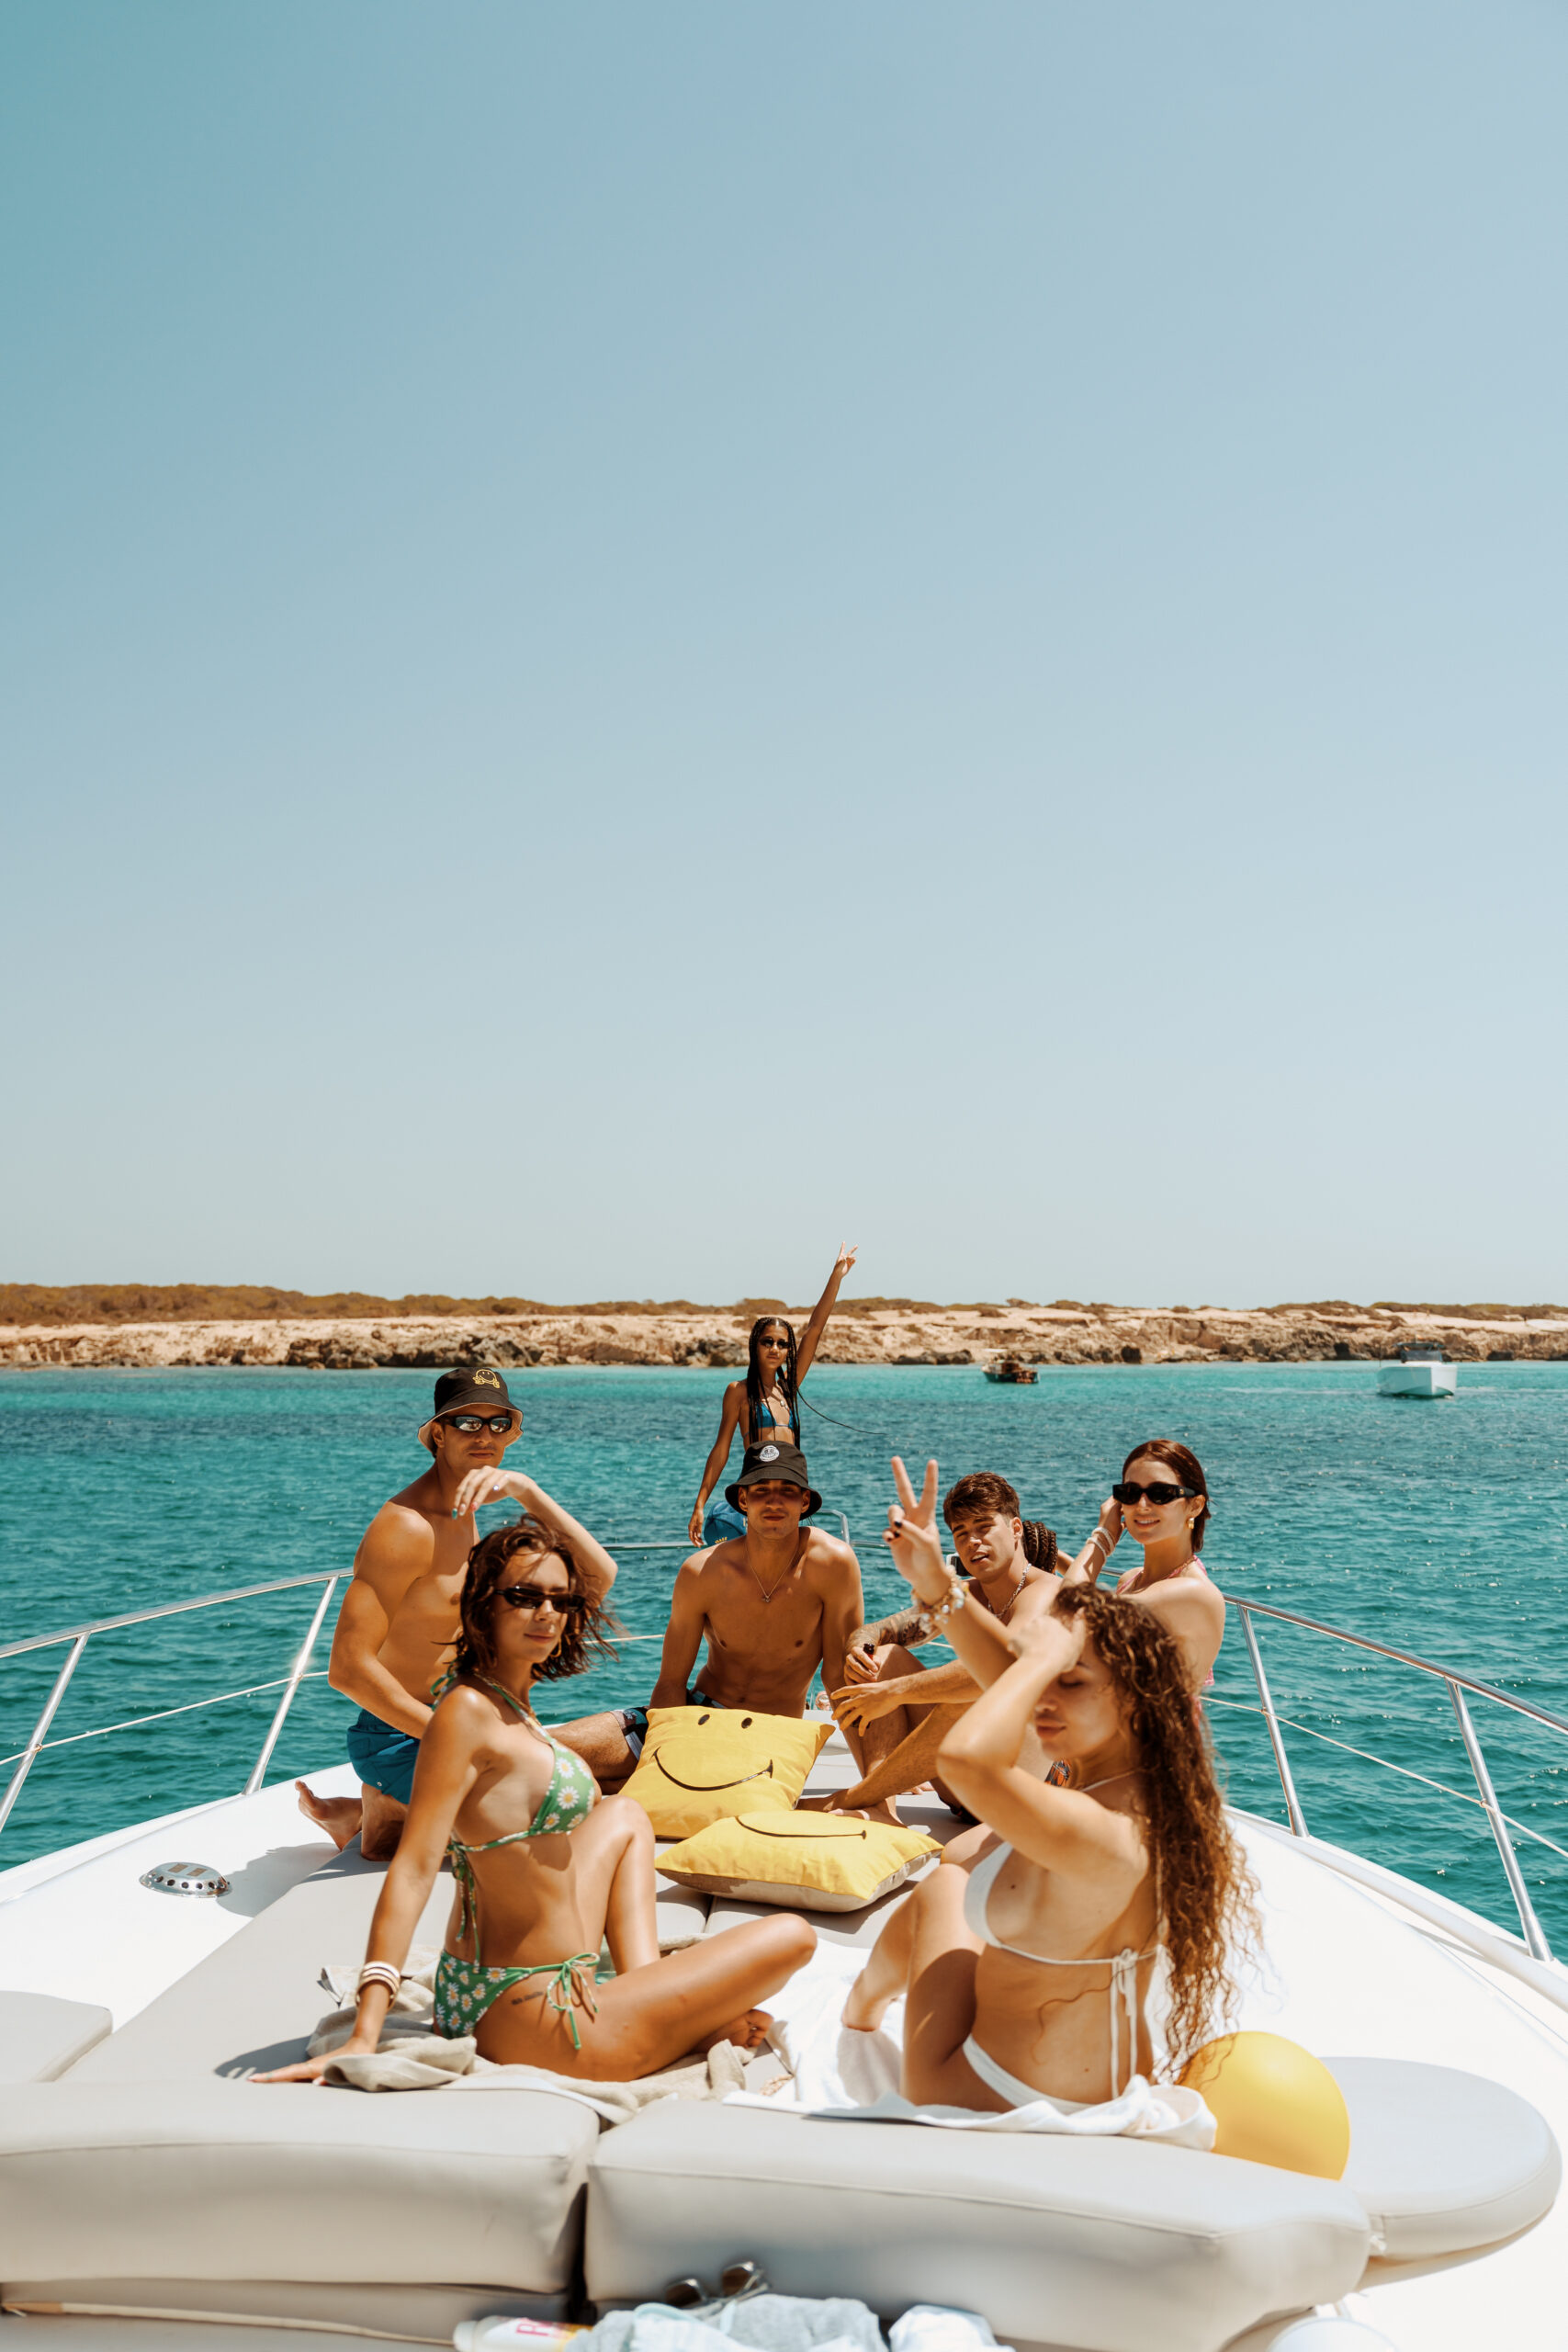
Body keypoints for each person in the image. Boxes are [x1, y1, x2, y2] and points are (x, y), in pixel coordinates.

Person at [261, 1518, 814, 2083]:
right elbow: (414, 1871)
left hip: (507, 1991)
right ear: (483, 1604)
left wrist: (524, 1489)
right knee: (792, 1936)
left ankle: (642, 1990)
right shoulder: (465, 1712)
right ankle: (666, 2018)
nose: (546, 1613)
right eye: (524, 1597)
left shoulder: (508, 1704)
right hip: (541, 2014)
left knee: (623, 1813)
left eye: (559, 1600)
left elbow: (598, 1575)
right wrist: (365, 2031)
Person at [841, 1458, 1256, 2115]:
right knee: (961, 1869)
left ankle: (858, 2016)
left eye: (1070, 1683)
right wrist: (938, 1586)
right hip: (1098, 2081)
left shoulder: (1105, 1825)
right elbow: (1024, 1656)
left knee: (946, 1887)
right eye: (1129, 1492)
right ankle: (863, 2008)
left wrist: (1036, 1656)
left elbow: (975, 1748)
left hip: (985, 2092)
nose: (1046, 1701)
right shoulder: (1135, 1796)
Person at [296, 1369, 618, 1859]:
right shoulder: (407, 1528)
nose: (484, 1435)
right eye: (468, 1422)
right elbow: (348, 1669)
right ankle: (380, 1814)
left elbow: (597, 1578)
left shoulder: (463, 1513)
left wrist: (527, 1491)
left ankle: (374, 1812)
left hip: (470, 1718)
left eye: (498, 1424)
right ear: (439, 1434)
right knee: (564, 1817)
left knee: (607, 1773)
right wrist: (461, 1737)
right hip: (402, 1737)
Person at [559, 1442, 866, 1790]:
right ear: (743, 1500)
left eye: (787, 1491)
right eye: (761, 1491)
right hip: (697, 1716)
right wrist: (665, 1755)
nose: (774, 1501)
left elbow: (840, 1678)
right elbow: (671, 1683)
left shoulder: (832, 1565)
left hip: (771, 1735)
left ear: (805, 1501)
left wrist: (874, 1774)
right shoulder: (701, 1571)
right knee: (551, 1753)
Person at [819, 1472, 1061, 1819]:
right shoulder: (968, 1595)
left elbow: (1003, 1671)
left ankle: (861, 1796)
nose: (973, 1541)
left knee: (971, 1697)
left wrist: (893, 1693)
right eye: (961, 1533)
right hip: (968, 1786)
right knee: (884, 1658)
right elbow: (878, 1631)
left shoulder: (1047, 1593)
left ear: (1015, 1529)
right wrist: (862, 1650)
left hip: (1035, 1788)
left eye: (984, 1527)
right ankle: (880, 1806)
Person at [689, 1244, 859, 1545]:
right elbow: (721, 1450)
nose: (775, 1349)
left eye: (782, 1344)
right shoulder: (739, 1392)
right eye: (767, 1341)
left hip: (791, 1488)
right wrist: (700, 1504)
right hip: (760, 1489)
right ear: (755, 1345)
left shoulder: (789, 1389)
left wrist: (836, 1276)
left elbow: (815, 1329)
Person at [1053, 1439, 1224, 1692]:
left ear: (1195, 1505)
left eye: (1161, 1494)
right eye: (1131, 1493)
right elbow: (1088, 1602)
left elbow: (1067, 1611)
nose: (1142, 1506)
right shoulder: (1131, 1580)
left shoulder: (1193, 1593)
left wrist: (1102, 1537)